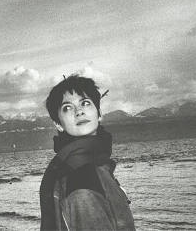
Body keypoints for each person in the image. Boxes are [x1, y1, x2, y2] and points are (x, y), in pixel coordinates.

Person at [39, 75, 135, 230]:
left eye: (85, 103)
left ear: (99, 113)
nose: (79, 112)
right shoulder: (82, 176)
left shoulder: (82, 164)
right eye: (67, 108)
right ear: (58, 124)